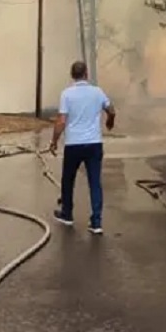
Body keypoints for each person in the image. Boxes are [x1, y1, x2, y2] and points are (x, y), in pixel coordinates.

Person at [47, 61, 116, 234]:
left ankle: (67, 214)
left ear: (72, 75)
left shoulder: (66, 94)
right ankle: (96, 222)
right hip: (94, 144)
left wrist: (54, 141)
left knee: (68, 180)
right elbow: (111, 110)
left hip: (73, 145)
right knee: (94, 182)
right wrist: (109, 121)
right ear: (86, 73)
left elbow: (62, 121)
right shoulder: (97, 92)